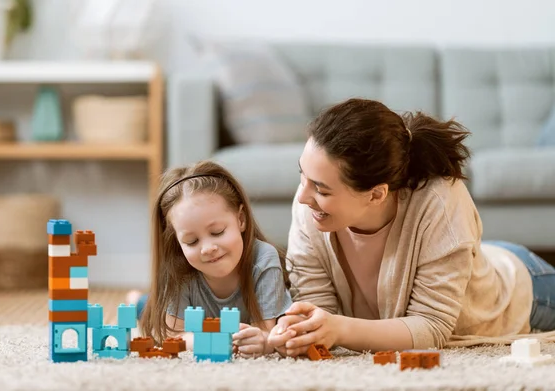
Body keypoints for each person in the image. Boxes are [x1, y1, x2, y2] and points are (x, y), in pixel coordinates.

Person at [267, 98, 555, 357]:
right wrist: (296, 330)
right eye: (302, 176)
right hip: (469, 257)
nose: (303, 197)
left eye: (321, 189)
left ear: (377, 194)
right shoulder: (310, 202)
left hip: (520, 285)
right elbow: (317, 309)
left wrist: (339, 330)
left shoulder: (440, 201)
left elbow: (432, 326)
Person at [135, 160, 292, 357]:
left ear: (241, 219)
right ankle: (136, 299)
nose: (208, 249)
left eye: (217, 232)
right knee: (146, 307)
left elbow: (265, 332)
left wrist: (262, 341)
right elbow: (173, 337)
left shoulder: (263, 258)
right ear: (177, 242)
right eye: (191, 242)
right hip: (163, 303)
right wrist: (216, 338)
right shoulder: (180, 267)